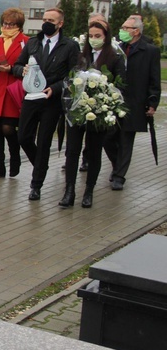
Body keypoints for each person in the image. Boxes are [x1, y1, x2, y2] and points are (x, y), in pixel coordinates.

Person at [12, 8, 79, 201]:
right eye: (44, 19)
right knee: (23, 137)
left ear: (60, 24)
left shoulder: (70, 46)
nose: (46, 23)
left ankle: (36, 185)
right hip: (31, 97)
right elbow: (17, 65)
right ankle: (40, 164)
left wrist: (56, 88)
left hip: (51, 100)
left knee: (44, 141)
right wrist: (21, 70)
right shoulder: (33, 43)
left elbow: (74, 74)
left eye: (51, 20)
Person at [59, 18, 125, 208]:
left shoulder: (114, 58)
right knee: (72, 152)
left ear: (106, 37)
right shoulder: (81, 57)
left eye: (98, 36)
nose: (94, 39)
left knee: (94, 152)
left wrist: (106, 98)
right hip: (77, 111)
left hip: (98, 112)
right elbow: (70, 79)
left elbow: (120, 84)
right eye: (92, 36)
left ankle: (88, 192)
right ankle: (69, 191)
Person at [104, 14, 161, 190]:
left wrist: (152, 102)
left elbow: (154, 79)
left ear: (135, 31)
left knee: (126, 139)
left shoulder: (149, 50)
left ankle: (119, 176)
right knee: (107, 137)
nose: (122, 31)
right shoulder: (117, 48)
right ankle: (117, 165)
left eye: (125, 28)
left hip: (135, 101)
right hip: (115, 101)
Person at [0, 7, 28, 178]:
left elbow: (27, 67)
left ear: (19, 25)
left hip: (13, 90)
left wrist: (11, 69)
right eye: (5, 24)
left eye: (11, 24)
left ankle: (15, 158)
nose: (7, 27)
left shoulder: (26, 42)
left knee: (8, 128)